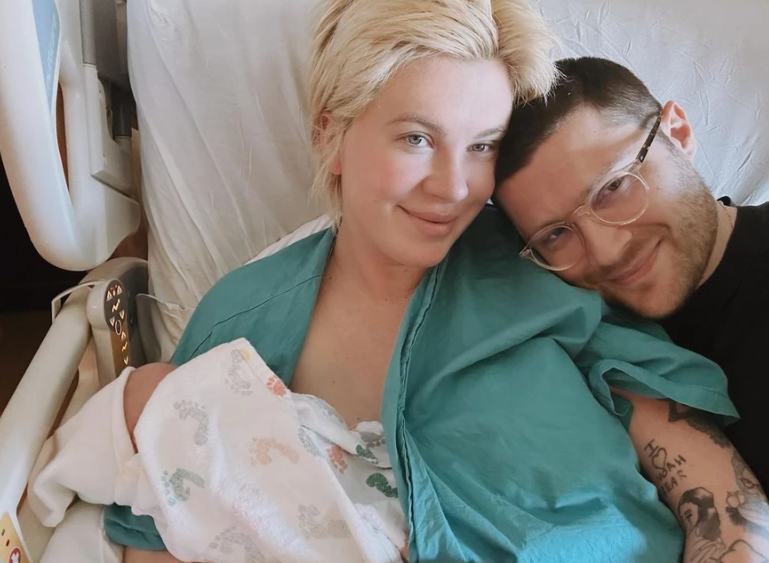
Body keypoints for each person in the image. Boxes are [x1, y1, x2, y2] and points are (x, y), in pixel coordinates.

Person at [72, 5, 766, 562]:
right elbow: (169, 515)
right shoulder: (239, 322)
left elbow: (718, 491)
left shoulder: (548, 268)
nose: (453, 187)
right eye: (416, 139)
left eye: (482, 146)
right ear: (331, 136)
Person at [493, 56, 769, 493]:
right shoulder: (579, 350)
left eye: (613, 187)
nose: (606, 251)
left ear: (677, 134)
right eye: (556, 234)